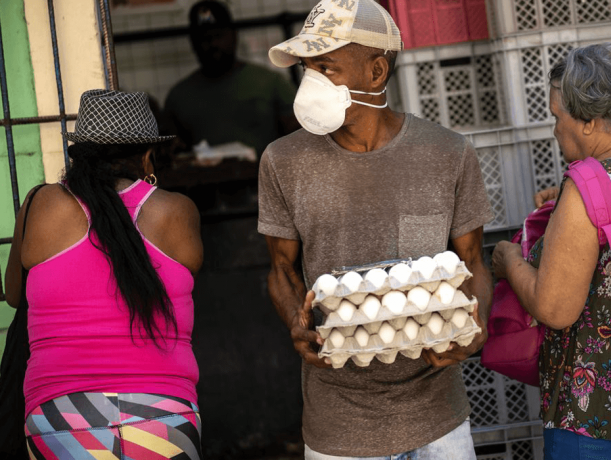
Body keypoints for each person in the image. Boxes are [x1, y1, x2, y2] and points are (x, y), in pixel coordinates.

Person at [258, 1, 495, 458]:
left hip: (437, 420)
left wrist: (476, 324)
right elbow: (281, 269)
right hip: (339, 424)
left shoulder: (446, 153)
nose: (311, 82)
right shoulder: (283, 161)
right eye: (308, 68)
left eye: (326, 67)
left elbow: (472, 262)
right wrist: (296, 321)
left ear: (376, 71)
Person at [492, 43, 611, 460]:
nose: (554, 129)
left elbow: (555, 308)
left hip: (602, 423)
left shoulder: (586, 184)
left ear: (588, 121)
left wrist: (509, 262)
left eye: (556, 116)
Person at [4, 90, 203, 458]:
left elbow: (15, 295)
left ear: (78, 154)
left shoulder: (39, 204)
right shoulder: (176, 211)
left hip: (59, 417)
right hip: (163, 415)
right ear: (147, 156)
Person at [165, 0, 299, 156]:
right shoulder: (179, 98)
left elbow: (298, 137)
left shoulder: (271, 83)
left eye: (219, 36)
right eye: (205, 38)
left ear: (234, 36)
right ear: (193, 43)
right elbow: (171, 153)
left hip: (264, 170)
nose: (213, 44)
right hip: (203, 172)